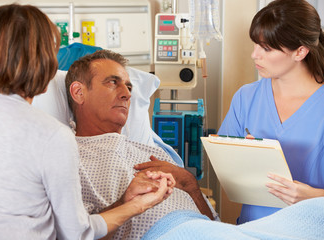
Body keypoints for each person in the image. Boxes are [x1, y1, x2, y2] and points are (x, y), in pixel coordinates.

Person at [0, 4, 175, 240]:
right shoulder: (51, 136)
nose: (126, 94)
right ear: (44, 66)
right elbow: (77, 233)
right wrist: (136, 205)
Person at [65, 49, 218, 239]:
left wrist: (191, 186)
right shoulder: (70, 159)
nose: (127, 95)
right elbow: (81, 235)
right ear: (79, 92)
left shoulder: (154, 153)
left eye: (129, 87)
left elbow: (215, 224)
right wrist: (126, 202)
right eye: (113, 83)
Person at [218, 0, 324, 224]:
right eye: (255, 45)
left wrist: (314, 197)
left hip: (314, 229)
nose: (254, 55)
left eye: (266, 48)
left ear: (300, 51)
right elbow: (227, 175)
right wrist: (243, 157)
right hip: (253, 228)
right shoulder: (246, 98)